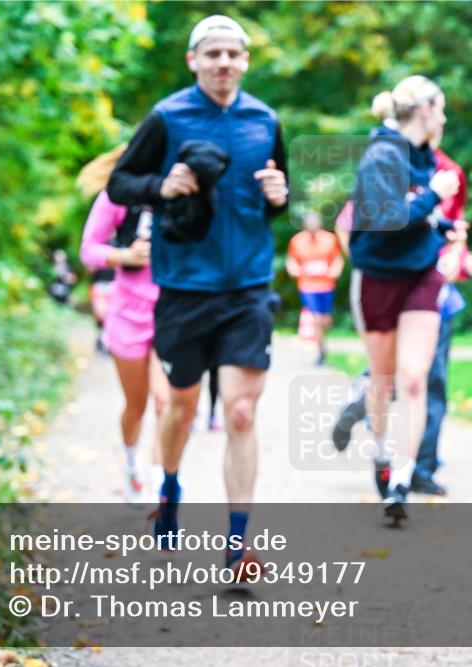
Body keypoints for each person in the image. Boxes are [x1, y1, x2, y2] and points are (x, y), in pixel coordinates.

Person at [106, 15, 288, 576]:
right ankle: (169, 490)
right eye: (213, 54)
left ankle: (238, 544)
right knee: (182, 408)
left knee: (238, 411)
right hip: (185, 287)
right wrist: (160, 186)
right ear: (194, 61)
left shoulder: (266, 119)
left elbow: (280, 195)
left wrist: (281, 196)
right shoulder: (167, 117)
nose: (224, 63)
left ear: (246, 61)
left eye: (234, 54)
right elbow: (120, 183)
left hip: (249, 288)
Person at [332, 113, 472, 496]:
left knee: (426, 378)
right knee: (391, 376)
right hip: (383, 280)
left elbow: (453, 222)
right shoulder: (382, 162)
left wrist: (460, 258)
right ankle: (367, 406)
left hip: (431, 284)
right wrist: (365, 266)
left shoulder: (447, 168)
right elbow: (350, 224)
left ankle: (418, 470)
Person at [77, 146, 169, 506]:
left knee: (167, 400)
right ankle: (133, 465)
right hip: (128, 312)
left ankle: (164, 481)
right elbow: (89, 250)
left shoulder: (182, 193)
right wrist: (125, 256)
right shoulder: (118, 196)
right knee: (138, 404)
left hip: (171, 311)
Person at [287, 211, 344, 365]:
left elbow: (337, 260)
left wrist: (334, 270)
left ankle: (322, 340)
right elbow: (291, 261)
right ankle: (321, 352)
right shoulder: (297, 241)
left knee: (325, 319)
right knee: (316, 318)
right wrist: (296, 270)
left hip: (326, 285)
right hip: (307, 285)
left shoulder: (329, 239)